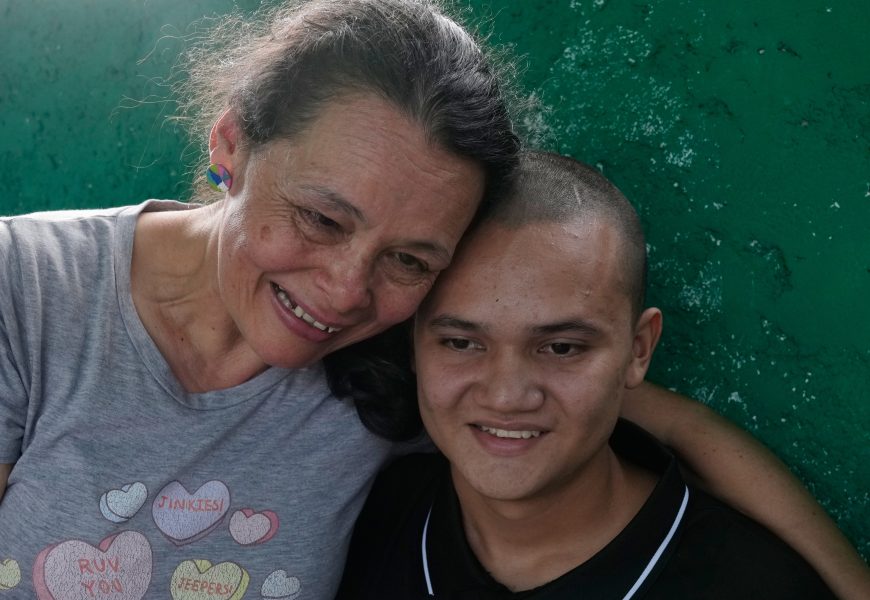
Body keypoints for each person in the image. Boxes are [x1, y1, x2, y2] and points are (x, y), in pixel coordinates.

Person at [0, 1, 863, 598]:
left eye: (410, 259)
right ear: (231, 145)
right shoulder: (28, 289)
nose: (346, 291)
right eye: (320, 218)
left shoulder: (393, 358)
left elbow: (663, 420)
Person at [336, 151, 854, 598]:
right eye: (461, 343)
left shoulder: (750, 584)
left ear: (638, 350)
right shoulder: (371, 516)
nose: (507, 395)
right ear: (412, 343)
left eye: (561, 347)